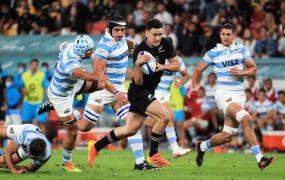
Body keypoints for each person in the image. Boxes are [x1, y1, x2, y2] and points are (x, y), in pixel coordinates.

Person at [88, 19, 180, 168]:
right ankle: (153, 154)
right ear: (146, 34)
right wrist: (137, 65)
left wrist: (162, 66)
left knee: (130, 130)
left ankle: (96, 147)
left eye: (159, 34)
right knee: (165, 116)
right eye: (154, 34)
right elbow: (137, 81)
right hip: (138, 92)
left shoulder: (166, 44)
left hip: (149, 91)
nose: (157, 38)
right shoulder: (140, 50)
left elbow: (176, 65)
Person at [187, 23, 274, 170]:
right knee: (247, 118)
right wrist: (194, 85)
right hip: (224, 95)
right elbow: (197, 71)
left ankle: (202, 146)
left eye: (228, 34)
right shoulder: (214, 52)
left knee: (227, 136)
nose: (225, 37)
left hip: (239, 95)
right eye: (223, 34)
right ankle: (260, 159)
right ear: (220, 35)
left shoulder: (241, 49)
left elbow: (253, 69)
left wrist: (242, 72)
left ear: (233, 35)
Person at [77, 15, 158, 170]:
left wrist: (139, 48)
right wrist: (115, 92)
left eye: (122, 30)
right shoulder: (103, 48)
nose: (120, 33)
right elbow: (99, 77)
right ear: (110, 29)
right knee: (84, 126)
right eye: (117, 30)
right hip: (102, 90)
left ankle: (140, 163)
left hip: (118, 88)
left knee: (132, 124)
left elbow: (127, 44)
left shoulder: (121, 38)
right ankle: (65, 111)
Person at [37, 34, 108, 172]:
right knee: (73, 131)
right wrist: (97, 76)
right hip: (61, 96)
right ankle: (66, 164)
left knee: (100, 86)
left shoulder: (71, 46)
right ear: (81, 51)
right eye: (89, 50)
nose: (91, 52)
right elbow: (79, 74)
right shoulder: (70, 63)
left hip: (71, 86)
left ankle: (56, 103)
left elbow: (63, 45)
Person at [146, 56, 190, 158]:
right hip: (155, 91)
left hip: (166, 94)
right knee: (169, 116)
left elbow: (186, 75)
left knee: (150, 122)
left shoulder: (178, 60)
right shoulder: (155, 58)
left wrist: (181, 83)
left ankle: (158, 151)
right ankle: (175, 149)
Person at [19, 59, 48, 134]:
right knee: (26, 123)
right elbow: (19, 87)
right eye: (33, 64)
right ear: (30, 65)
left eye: (36, 65)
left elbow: (46, 88)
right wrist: (22, 90)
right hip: (27, 102)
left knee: (41, 122)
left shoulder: (42, 75)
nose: (34, 66)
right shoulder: (24, 75)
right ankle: (26, 141)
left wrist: (48, 101)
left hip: (39, 102)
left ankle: (44, 141)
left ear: (38, 66)